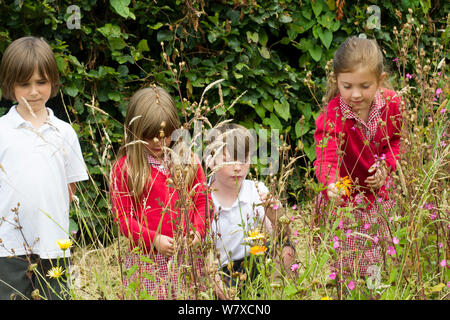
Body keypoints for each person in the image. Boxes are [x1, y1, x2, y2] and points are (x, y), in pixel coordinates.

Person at [0, 36, 88, 300]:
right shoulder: (2, 131)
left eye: (41, 82)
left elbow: (69, 188)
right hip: (8, 247)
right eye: (24, 84)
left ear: (53, 81)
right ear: (9, 84)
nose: (34, 91)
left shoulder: (64, 132)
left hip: (54, 246)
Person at [313, 36, 402, 279]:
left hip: (380, 196)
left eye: (365, 86)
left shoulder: (392, 104)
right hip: (346, 201)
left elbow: (397, 141)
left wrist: (387, 165)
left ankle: (375, 292)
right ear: (337, 81)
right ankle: (347, 289)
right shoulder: (333, 114)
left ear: (380, 81)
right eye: (347, 86)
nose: (355, 94)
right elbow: (326, 157)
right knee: (347, 264)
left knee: (380, 259)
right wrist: (330, 183)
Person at [110, 85, 211, 300]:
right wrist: (154, 239)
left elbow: (202, 202)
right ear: (135, 133)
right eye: (149, 136)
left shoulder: (188, 162)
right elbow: (123, 219)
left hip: (187, 258)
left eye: (165, 136)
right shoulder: (127, 168)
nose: (159, 143)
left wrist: (198, 232)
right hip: (146, 262)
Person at [206, 122, 295, 299]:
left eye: (243, 160)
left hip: (254, 263)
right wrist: (223, 292)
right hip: (220, 274)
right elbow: (202, 257)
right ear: (210, 161)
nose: (237, 167)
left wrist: (277, 217)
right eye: (228, 160)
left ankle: (275, 295)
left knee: (287, 250)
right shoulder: (204, 199)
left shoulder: (256, 190)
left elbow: (282, 237)